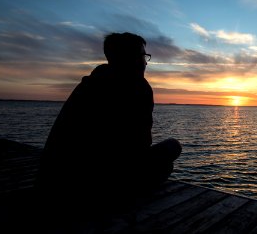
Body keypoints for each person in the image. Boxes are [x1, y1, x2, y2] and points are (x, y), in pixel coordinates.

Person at [37, 32, 181, 218]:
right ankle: (117, 197)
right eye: (141, 56)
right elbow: (139, 144)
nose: (145, 62)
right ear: (125, 58)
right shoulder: (139, 88)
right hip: (97, 182)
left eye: (145, 57)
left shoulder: (90, 83)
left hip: (55, 180)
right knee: (172, 148)